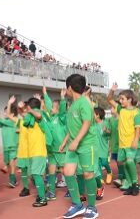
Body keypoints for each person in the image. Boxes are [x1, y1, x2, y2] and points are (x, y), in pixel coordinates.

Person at [61, 74, 98, 219]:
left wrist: (76, 141)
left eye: (66, 87)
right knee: (68, 172)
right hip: (73, 144)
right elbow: (73, 128)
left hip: (86, 144)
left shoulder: (84, 102)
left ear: (69, 87)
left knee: (88, 174)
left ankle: (92, 208)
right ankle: (77, 205)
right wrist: (66, 141)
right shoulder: (72, 105)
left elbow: (87, 123)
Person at [107, 83, 140, 199]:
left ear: (130, 99)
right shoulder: (121, 110)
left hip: (130, 143)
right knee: (124, 164)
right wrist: (112, 91)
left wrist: (136, 140)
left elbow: (138, 128)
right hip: (121, 144)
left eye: (122, 99)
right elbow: (109, 99)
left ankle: (135, 183)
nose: (120, 101)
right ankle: (129, 185)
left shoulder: (137, 112)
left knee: (129, 162)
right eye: (120, 99)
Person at [42, 85, 67, 200]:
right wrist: (45, 93)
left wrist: (62, 98)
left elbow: (62, 110)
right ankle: (51, 192)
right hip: (51, 150)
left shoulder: (61, 118)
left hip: (61, 150)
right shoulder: (50, 118)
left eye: (53, 107)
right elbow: (47, 104)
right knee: (51, 171)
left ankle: (72, 190)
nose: (50, 107)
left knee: (64, 171)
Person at [0, 105, 19, 187]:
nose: (5, 113)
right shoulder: (5, 121)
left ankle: (12, 179)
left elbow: (2, 121)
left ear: (12, 114)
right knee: (7, 163)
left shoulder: (13, 121)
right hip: (6, 146)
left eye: (6, 112)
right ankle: (13, 178)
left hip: (13, 145)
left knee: (12, 161)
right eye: (5, 112)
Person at [92, 106, 111, 200]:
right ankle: (99, 186)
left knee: (104, 162)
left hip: (103, 148)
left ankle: (109, 171)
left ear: (98, 115)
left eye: (93, 114)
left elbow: (109, 133)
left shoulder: (105, 123)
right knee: (97, 168)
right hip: (94, 150)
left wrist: (106, 131)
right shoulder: (93, 124)